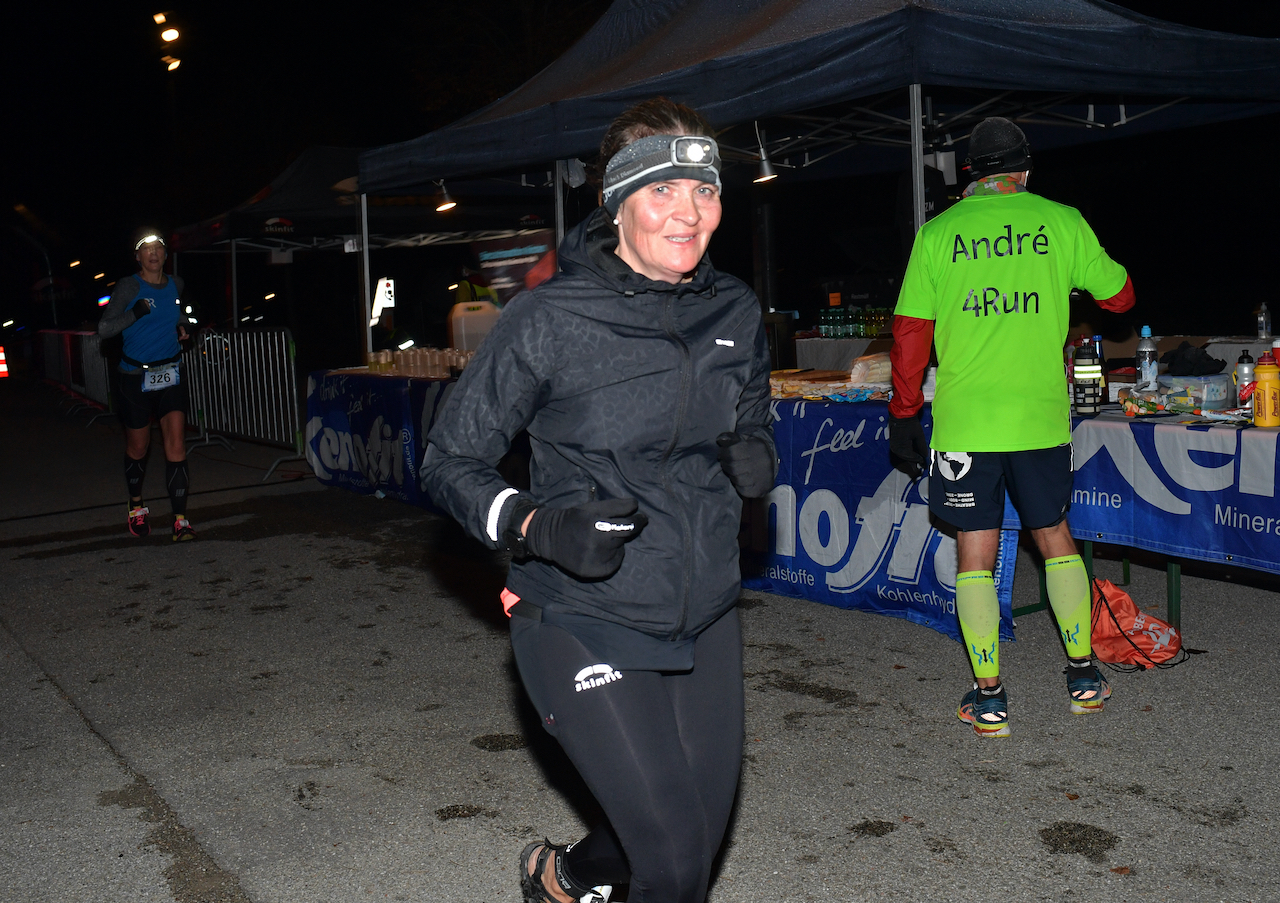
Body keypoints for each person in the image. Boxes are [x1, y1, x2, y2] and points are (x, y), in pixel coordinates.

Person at [420, 98, 775, 903]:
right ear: (617, 202)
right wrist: (532, 523)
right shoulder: (548, 318)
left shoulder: (737, 311)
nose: (691, 214)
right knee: (677, 860)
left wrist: (759, 453)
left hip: (706, 608)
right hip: (580, 612)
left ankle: (564, 875)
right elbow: (449, 457)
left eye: (707, 192)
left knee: (677, 828)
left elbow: (747, 414)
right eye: (664, 192)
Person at [888, 117, 1135, 738]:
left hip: (969, 423)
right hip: (1040, 418)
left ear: (972, 172)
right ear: (1025, 169)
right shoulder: (1063, 220)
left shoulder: (939, 233)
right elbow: (1122, 298)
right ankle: (1083, 676)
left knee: (975, 546)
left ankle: (989, 695)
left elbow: (910, 331)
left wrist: (904, 411)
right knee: (1054, 536)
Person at [97, 230, 197, 542]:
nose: (153, 253)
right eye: (146, 249)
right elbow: (105, 328)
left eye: (158, 248)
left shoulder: (175, 284)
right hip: (134, 378)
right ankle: (136, 505)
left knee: (176, 447)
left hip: (170, 374)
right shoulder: (129, 286)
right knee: (138, 448)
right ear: (138, 257)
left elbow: (180, 314)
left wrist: (184, 326)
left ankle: (180, 519)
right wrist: (136, 312)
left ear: (166, 256)